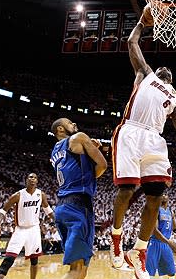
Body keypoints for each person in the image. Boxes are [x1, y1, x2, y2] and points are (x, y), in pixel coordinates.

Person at [109, 4, 176, 279]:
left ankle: (139, 250)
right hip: (132, 131)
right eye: (163, 68)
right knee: (127, 190)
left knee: (156, 197)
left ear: (173, 81)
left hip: (155, 140)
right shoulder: (145, 74)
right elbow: (132, 42)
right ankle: (117, 239)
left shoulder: (174, 99)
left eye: (170, 72)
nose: (166, 70)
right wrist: (143, 23)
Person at [50, 117, 107, 279]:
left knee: (81, 268)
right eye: (69, 123)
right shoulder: (79, 137)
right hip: (78, 205)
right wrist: (92, 148)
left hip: (62, 207)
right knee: (76, 270)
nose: (74, 124)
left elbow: (77, 169)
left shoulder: (54, 151)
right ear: (60, 129)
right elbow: (103, 165)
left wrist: (89, 151)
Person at [0, 173, 54, 279]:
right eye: (30, 177)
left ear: (37, 181)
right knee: (9, 259)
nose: (32, 179)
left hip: (34, 229)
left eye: (35, 177)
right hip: (20, 230)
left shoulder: (41, 194)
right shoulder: (18, 195)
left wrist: (58, 222)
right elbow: (3, 211)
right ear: (26, 180)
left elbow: (48, 210)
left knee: (34, 260)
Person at [145, 194, 176, 279]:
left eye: (165, 194)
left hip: (165, 244)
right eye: (161, 195)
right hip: (155, 243)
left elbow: (175, 229)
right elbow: (154, 231)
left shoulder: (170, 212)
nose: (163, 195)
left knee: (171, 272)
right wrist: (169, 242)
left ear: (168, 198)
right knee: (149, 274)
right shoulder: (156, 210)